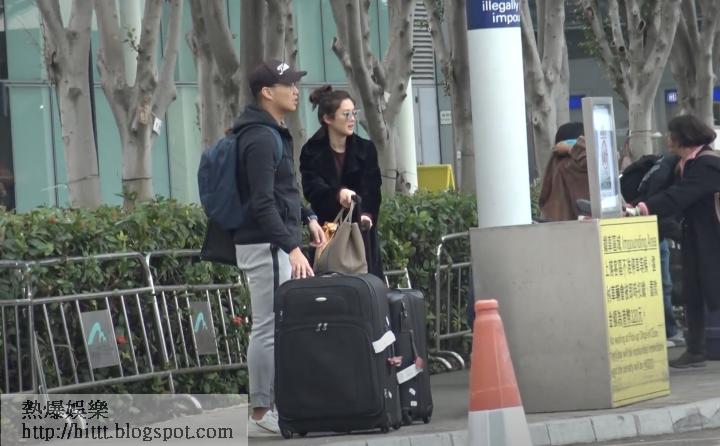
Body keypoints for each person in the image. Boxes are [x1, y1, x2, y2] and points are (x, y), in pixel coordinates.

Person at [208, 59, 326, 435]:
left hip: (272, 243)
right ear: (266, 92)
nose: (296, 90)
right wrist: (292, 247)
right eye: (288, 84)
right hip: (266, 246)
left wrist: (308, 216)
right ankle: (260, 413)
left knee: (276, 326)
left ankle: (275, 404)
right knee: (267, 327)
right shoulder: (260, 138)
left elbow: (283, 190)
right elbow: (262, 202)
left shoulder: (270, 132)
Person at [626, 114, 720, 368]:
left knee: (711, 288)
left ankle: (697, 349)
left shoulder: (706, 164)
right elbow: (667, 193)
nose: (668, 138)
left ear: (683, 137)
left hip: (712, 238)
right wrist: (637, 205)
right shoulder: (685, 163)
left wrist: (643, 209)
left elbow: (679, 196)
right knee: (693, 292)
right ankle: (696, 350)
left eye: (671, 133)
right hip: (697, 237)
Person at [299, 85, 383, 278]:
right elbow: (312, 188)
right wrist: (338, 195)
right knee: (329, 286)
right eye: (346, 114)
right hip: (328, 231)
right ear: (328, 119)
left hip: (361, 231)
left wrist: (366, 214)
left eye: (354, 113)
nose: (352, 119)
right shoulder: (311, 151)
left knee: (365, 284)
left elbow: (372, 188)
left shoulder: (365, 149)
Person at [621, 153, 684, 346]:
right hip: (649, 231)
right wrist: (685, 237)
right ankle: (668, 331)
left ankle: (667, 330)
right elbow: (660, 212)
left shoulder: (665, 167)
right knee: (662, 284)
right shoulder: (666, 175)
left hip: (650, 229)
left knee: (661, 283)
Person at [538, 122, 590, 221]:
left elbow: (544, 197)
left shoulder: (557, 163)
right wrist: (571, 148)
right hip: (584, 225)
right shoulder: (574, 165)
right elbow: (593, 159)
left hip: (557, 223)